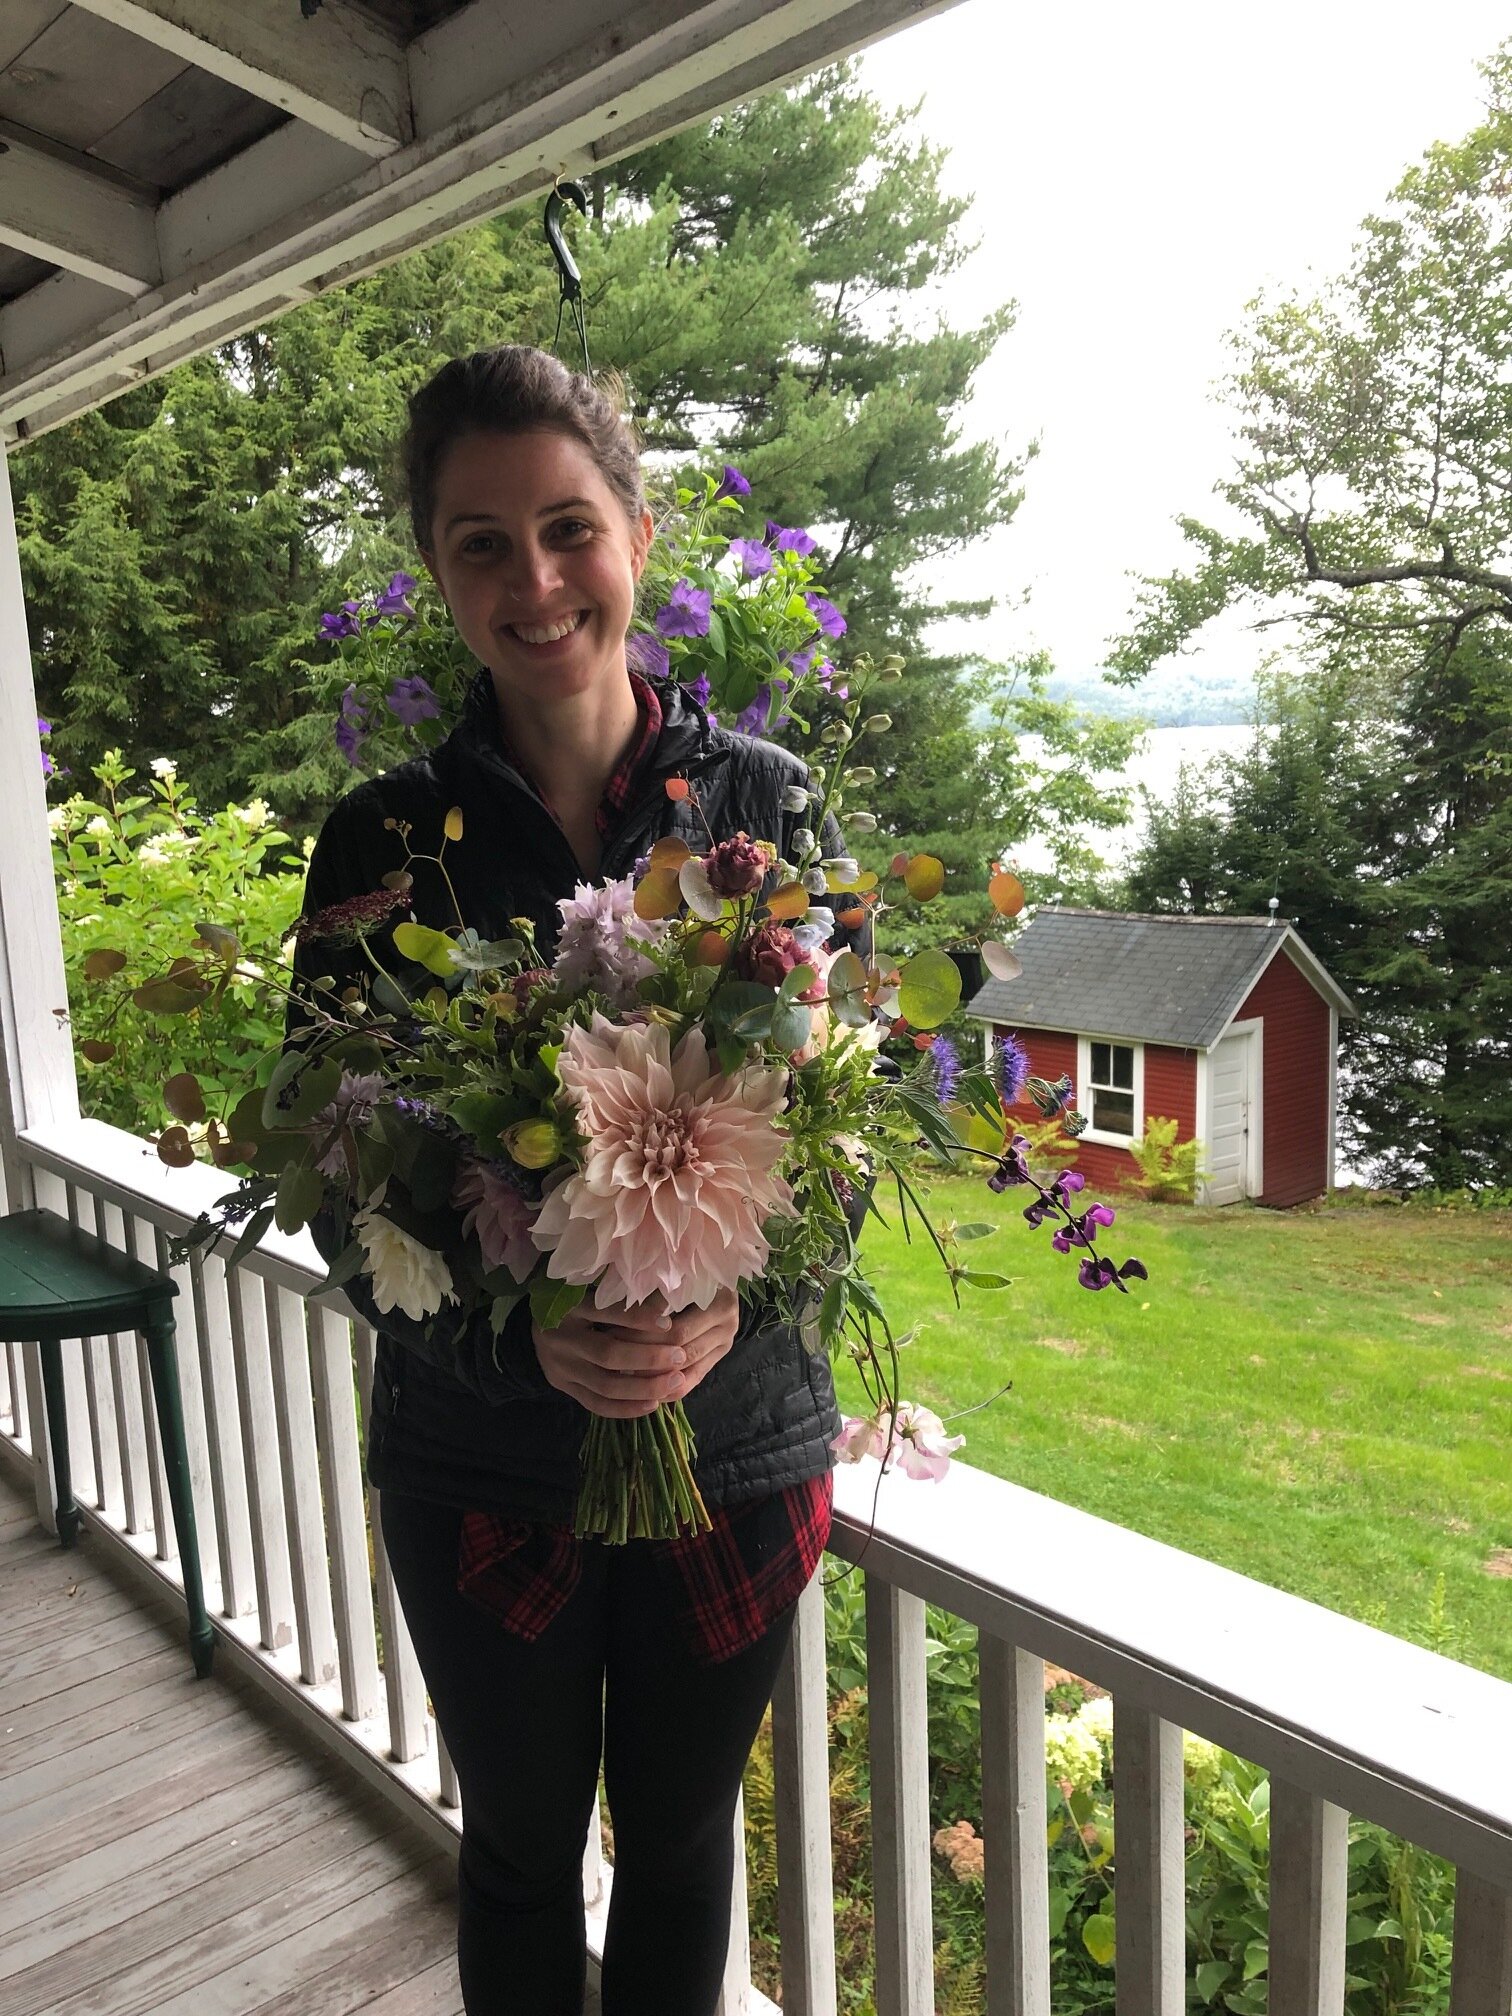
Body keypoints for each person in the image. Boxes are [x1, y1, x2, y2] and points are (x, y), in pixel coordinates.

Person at [291, 345, 851, 2016]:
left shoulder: (766, 808)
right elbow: (329, 1175)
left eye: (567, 526)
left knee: (681, 1851)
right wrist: (514, 1342)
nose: (533, 583)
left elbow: (846, 1147)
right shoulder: (382, 849)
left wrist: (731, 1300)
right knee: (525, 1855)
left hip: (733, 1441)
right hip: (482, 1460)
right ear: (437, 569)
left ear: (638, 533)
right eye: (479, 542)